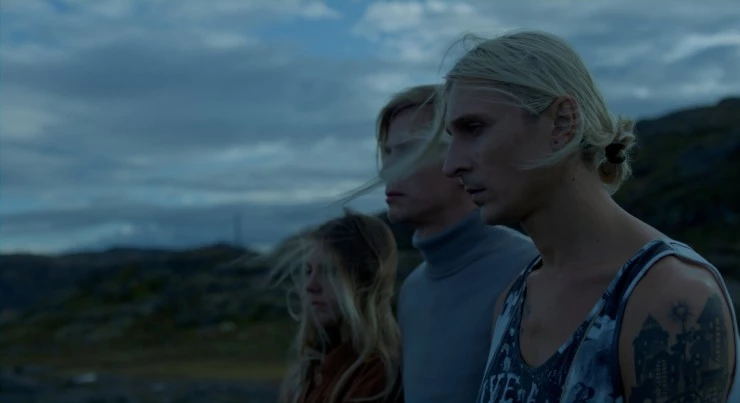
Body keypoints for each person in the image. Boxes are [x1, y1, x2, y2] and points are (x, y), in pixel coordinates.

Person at [391, 30, 739, 402]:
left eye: (474, 129)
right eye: (452, 139)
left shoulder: (670, 297)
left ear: (562, 122)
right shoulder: (513, 302)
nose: (451, 165)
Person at [356, 84, 538, 403]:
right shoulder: (413, 290)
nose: (387, 170)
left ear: (462, 155)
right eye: (387, 152)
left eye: (410, 151)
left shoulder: (529, 271)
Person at [264, 210, 403, 403]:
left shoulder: (376, 376)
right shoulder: (315, 366)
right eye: (309, 271)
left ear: (364, 281)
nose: (310, 286)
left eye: (328, 271)